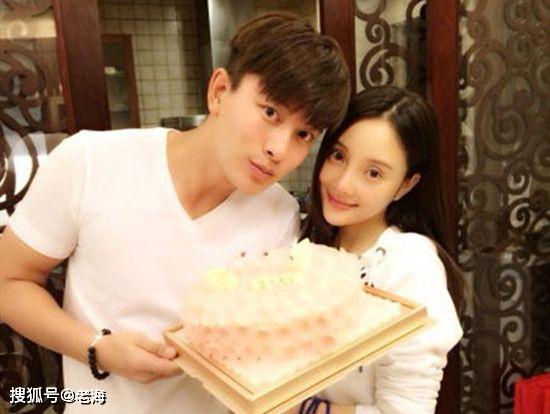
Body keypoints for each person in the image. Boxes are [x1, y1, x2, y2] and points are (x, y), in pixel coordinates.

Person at [0, 12, 350, 413]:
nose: (279, 149)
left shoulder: (280, 214)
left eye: (303, 134)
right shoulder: (90, 162)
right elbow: (8, 280)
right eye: (270, 112)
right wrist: (97, 349)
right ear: (219, 91)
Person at [296, 86, 464, 413]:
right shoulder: (308, 246)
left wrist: (304, 410)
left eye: (373, 173)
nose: (342, 184)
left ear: (405, 185)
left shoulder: (409, 265)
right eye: (338, 156)